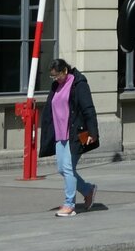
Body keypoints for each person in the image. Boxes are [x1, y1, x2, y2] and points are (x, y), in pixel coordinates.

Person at [39, 59, 99, 217]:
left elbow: (88, 108)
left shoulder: (78, 84)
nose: (55, 79)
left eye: (56, 75)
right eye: (52, 77)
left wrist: (93, 132)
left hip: (75, 134)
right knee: (62, 169)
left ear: (65, 70)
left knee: (68, 168)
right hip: (60, 135)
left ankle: (69, 205)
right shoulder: (56, 86)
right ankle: (88, 189)